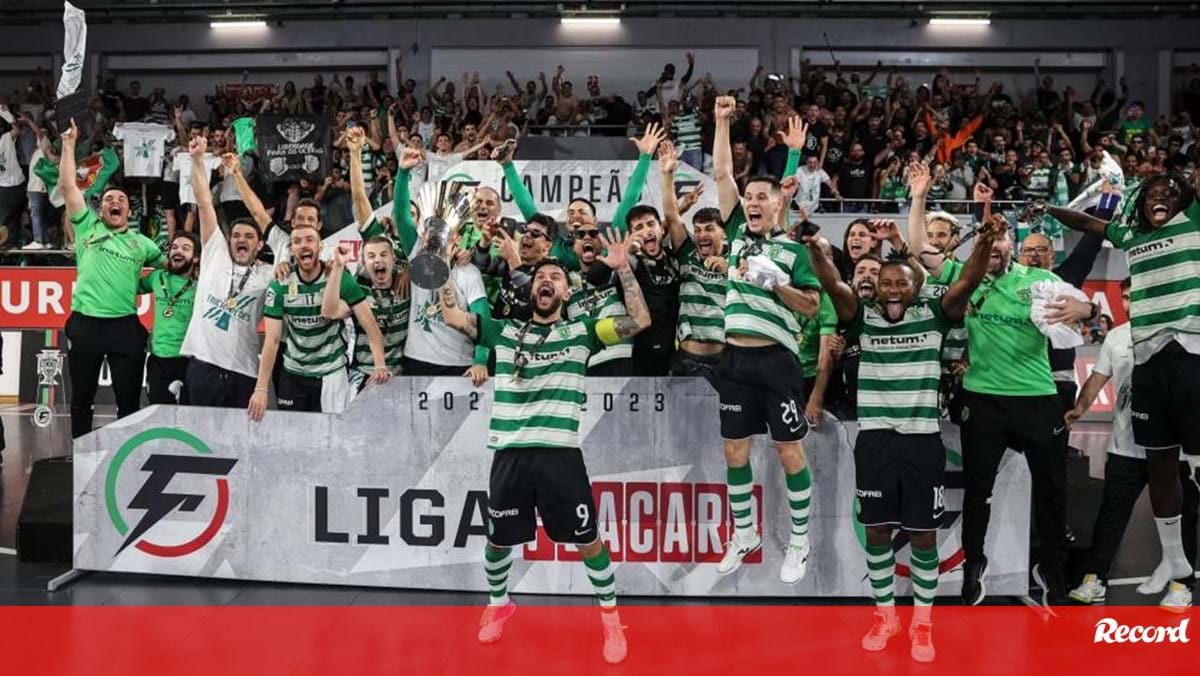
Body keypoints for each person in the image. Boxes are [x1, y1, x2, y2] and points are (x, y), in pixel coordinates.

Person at [438, 231, 650, 665]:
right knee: (499, 541)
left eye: (555, 276)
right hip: (511, 454)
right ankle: (498, 604)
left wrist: (624, 269)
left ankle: (611, 620)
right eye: (540, 278)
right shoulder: (504, 329)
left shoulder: (584, 332)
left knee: (588, 539)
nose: (546, 281)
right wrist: (441, 268)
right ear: (532, 290)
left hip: (560, 456)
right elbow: (453, 316)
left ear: (566, 291)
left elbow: (640, 322)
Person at [808, 207, 1001, 663]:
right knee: (876, 531)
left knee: (922, 537)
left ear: (916, 288)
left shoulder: (936, 314)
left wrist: (986, 243)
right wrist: (816, 251)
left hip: (921, 442)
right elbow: (834, 284)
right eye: (887, 283)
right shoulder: (861, 316)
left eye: (902, 283)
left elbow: (969, 281)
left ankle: (922, 624)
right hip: (874, 440)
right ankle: (885, 615)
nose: (893, 289)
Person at [907, 181, 1097, 607]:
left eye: (1003, 242)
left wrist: (1086, 309)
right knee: (978, 493)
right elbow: (921, 250)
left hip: (1037, 397)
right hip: (982, 400)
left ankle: (1050, 571)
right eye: (990, 244)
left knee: (1052, 493)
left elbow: (1090, 309)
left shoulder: (1040, 279)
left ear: (1012, 245)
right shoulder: (965, 275)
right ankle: (975, 567)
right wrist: (918, 197)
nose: (995, 250)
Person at [1051, 172, 1200, 598]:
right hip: (1149, 357)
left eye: (1169, 193)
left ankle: (1179, 572)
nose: (1161, 197)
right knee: (1161, 466)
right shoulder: (1130, 235)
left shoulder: (1192, 221)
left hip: (1192, 349)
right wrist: (1048, 209)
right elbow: (1086, 224)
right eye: (1152, 193)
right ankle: (1174, 562)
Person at [712, 95, 823, 584]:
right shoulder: (737, 234)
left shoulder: (793, 251)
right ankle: (745, 533)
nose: (752, 203)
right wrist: (721, 121)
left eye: (762, 197)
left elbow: (813, 306)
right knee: (735, 452)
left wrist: (774, 284)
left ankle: (799, 539)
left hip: (777, 363)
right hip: (733, 361)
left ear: (781, 202)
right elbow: (720, 177)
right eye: (749, 197)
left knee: (787, 452)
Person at [1065, 278, 1198, 611]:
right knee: (1111, 514)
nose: (1131, 303)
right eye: (1126, 298)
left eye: (1139, 295)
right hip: (1126, 446)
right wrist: (1081, 406)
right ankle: (1095, 577)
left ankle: (1182, 584)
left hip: (1173, 450)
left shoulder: (1185, 335)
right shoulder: (1117, 337)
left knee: (1183, 516)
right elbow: (1098, 378)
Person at [59, 120, 163, 438]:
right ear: (100, 209)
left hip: (125, 327)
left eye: (120, 200)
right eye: (108, 200)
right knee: (81, 399)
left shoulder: (143, 244)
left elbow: (167, 274)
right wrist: (68, 145)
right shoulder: (87, 225)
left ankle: (123, 455)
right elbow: (68, 187)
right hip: (86, 324)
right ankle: (78, 452)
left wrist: (143, 285)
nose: (114, 202)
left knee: (128, 401)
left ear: (128, 210)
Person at [247, 220, 391, 421]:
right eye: (297, 241)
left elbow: (370, 326)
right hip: (293, 374)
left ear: (320, 246)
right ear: (292, 250)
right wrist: (261, 388)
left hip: (331, 374)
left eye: (310, 240)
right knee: (294, 436)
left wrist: (380, 365)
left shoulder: (340, 277)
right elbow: (271, 341)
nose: (304, 245)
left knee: (333, 438)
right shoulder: (280, 285)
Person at [181, 140, 277, 409]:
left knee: (239, 443)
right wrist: (198, 159)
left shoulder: (269, 274)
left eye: (248, 236)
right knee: (200, 438)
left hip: (244, 370)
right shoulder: (215, 253)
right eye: (235, 235)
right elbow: (203, 203)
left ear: (260, 245)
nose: (240, 240)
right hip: (204, 366)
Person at [391, 146, 491, 382]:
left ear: (456, 238)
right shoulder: (416, 252)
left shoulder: (469, 273)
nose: (433, 237)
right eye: (429, 230)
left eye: (443, 233)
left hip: (457, 364)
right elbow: (402, 213)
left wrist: (480, 361)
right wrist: (403, 173)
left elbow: (482, 319)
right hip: (416, 359)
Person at [342, 126, 408, 388]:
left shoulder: (411, 259)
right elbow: (359, 200)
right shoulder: (380, 245)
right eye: (373, 256)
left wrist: (411, 270)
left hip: (403, 373)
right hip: (363, 371)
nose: (379, 259)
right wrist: (355, 153)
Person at [661, 140, 725, 384]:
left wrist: (730, 271)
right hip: (686, 359)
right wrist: (667, 174)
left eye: (709, 229)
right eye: (697, 230)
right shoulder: (687, 251)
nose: (701, 235)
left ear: (724, 233)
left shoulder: (736, 258)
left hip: (725, 359)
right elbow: (671, 216)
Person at [138, 231, 200, 405]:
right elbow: (130, 286)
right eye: (174, 247)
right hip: (159, 361)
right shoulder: (157, 277)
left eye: (185, 248)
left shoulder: (202, 285)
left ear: (195, 258)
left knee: (188, 419)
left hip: (190, 361)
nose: (178, 251)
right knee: (160, 417)